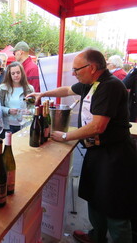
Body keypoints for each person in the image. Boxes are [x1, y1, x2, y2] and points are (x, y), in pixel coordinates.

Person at [28, 48, 137, 243]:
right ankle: (96, 236)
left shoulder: (110, 86)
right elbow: (67, 90)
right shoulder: (91, 84)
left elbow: (98, 126)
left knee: (115, 208)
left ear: (93, 68)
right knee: (95, 197)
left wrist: (65, 136)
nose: (74, 73)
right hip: (97, 152)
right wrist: (43, 93)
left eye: (77, 70)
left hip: (115, 156)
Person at [0, 62, 34, 133]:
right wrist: (8, 110)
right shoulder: (3, 88)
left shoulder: (29, 89)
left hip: (25, 126)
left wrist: (29, 111)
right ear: (9, 75)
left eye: (18, 72)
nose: (16, 75)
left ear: (22, 73)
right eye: (13, 73)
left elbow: (32, 107)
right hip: (8, 126)